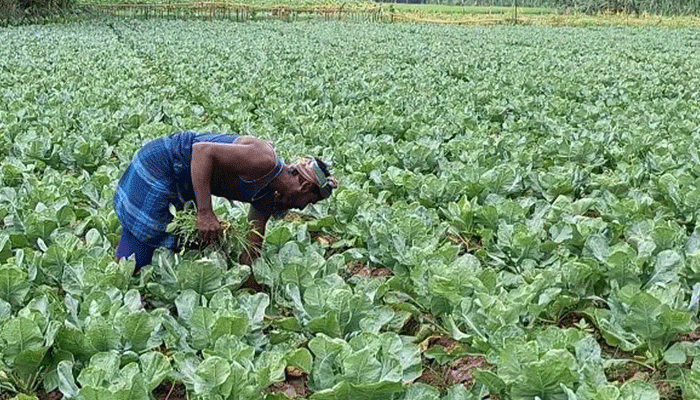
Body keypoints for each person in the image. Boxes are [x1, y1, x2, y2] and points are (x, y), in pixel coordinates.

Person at [113, 131, 337, 278]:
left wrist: (249, 279)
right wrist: (205, 212)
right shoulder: (265, 160)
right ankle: (123, 275)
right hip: (164, 163)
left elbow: (252, 241)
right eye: (310, 201)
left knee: (174, 240)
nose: (301, 208)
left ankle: (123, 269)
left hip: (182, 182)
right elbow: (202, 151)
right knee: (148, 230)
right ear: (306, 188)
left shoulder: (268, 197)